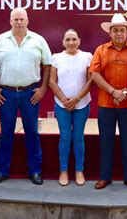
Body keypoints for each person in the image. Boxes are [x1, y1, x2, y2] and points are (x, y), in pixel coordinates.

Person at [0, 8, 52, 185]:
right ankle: (2, 171)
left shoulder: (38, 40)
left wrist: (43, 89)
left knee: (32, 132)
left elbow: (48, 65)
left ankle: (35, 171)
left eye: (21, 19)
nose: (19, 22)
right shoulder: (0, 40)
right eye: (15, 19)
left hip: (30, 93)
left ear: (27, 20)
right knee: (5, 133)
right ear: (10, 21)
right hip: (6, 94)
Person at [89, 13, 127, 190]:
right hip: (106, 104)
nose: (119, 33)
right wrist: (113, 91)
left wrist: (125, 93)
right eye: (115, 30)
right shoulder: (100, 50)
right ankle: (105, 177)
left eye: (122, 30)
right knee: (105, 141)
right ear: (110, 33)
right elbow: (95, 74)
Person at [48, 29, 92, 186]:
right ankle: (63, 170)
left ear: (79, 40)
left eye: (74, 39)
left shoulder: (87, 57)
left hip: (82, 103)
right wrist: (64, 100)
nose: (71, 42)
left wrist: (76, 99)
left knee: (78, 137)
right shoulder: (56, 58)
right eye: (68, 39)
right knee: (65, 137)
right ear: (63, 42)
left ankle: (79, 170)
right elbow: (52, 81)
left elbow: (90, 80)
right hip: (62, 105)